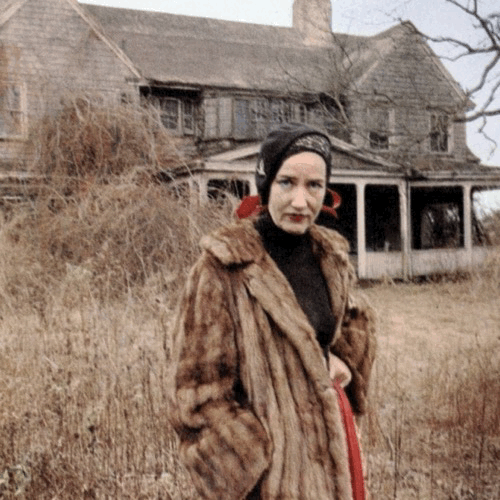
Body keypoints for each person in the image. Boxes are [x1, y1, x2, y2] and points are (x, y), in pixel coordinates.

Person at [167, 123, 377, 500]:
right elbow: (197, 396)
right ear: (265, 184)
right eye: (287, 182)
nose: (301, 201)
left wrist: (342, 361)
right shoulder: (223, 268)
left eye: (314, 185)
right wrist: (251, 468)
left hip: (334, 465)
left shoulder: (330, 257)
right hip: (268, 484)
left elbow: (343, 331)